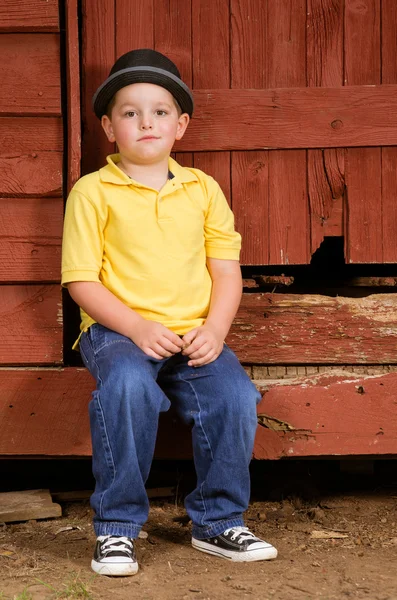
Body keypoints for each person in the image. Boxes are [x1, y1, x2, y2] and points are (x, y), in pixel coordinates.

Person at [61, 48, 277, 577]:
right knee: (128, 388)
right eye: (130, 113)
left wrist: (215, 330)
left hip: (192, 331)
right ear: (110, 128)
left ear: (180, 125)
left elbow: (226, 271)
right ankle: (117, 529)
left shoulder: (203, 190)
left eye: (159, 111)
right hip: (118, 330)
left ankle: (218, 519)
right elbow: (80, 281)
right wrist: (134, 325)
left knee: (233, 395)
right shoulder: (92, 192)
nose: (145, 122)